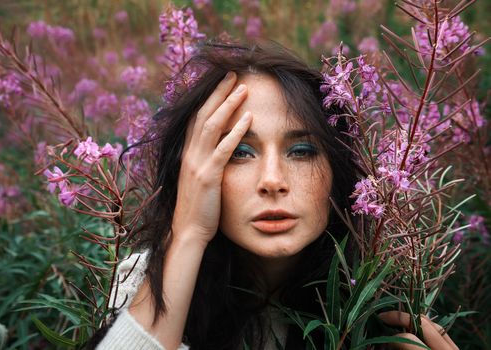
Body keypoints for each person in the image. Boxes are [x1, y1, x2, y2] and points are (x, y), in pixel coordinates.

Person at [89, 41, 458, 350]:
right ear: (193, 173)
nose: (272, 181)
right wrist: (187, 234)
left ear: (339, 171)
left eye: (301, 152)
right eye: (238, 153)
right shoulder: (146, 280)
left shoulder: (380, 299)